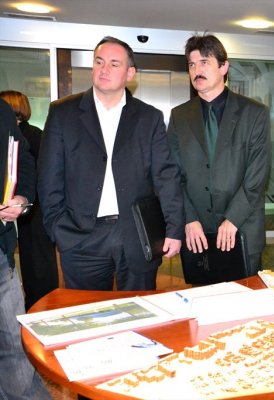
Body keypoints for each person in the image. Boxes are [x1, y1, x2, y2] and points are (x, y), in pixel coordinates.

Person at [38, 36, 184, 291]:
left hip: (137, 234)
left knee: (139, 309)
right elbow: (48, 178)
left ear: (130, 73)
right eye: (99, 62)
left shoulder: (149, 117)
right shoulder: (62, 113)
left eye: (114, 64)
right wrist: (59, 229)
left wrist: (174, 228)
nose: (104, 69)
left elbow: (166, 176)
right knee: (88, 312)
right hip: (81, 237)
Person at [167, 34, 270, 279]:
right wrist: (189, 218)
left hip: (242, 228)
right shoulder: (179, 116)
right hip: (197, 234)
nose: (197, 71)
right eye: (192, 64)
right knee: (202, 300)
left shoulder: (254, 113)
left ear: (224, 67)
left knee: (245, 299)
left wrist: (232, 219)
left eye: (204, 62)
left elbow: (256, 178)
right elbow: (172, 174)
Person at [0, 98, 51, 399]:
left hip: (1, 253)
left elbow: (23, 161)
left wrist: (21, 197)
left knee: (14, 342)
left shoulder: (2, 112)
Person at [0, 90, 58, 310]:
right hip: (29, 208)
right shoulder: (33, 132)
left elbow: (38, 170)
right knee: (33, 261)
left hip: (35, 209)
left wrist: (23, 198)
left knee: (37, 263)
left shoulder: (29, 134)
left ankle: (42, 305)